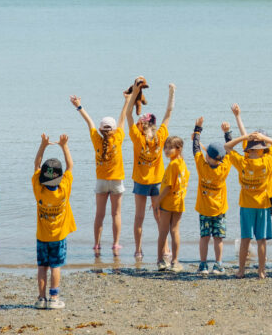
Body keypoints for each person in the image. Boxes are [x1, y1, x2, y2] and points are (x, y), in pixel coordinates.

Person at [71, 92, 132, 257]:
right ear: (113, 130)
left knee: (99, 214)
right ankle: (116, 244)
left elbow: (89, 121)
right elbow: (122, 119)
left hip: (101, 182)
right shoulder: (118, 137)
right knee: (116, 214)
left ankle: (97, 244)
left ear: (100, 129)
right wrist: (127, 101)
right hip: (117, 181)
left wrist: (79, 106)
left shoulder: (96, 139)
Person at [224, 129, 272, 279]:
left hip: (246, 205)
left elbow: (227, 147)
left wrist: (245, 136)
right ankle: (261, 271)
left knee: (245, 239)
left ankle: (241, 271)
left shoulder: (243, 162)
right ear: (262, 150)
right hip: (262, 205)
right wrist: (264, 138)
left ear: (248, 151)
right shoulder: (267, 160)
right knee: (261, 240)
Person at [127, 81, 175, 260]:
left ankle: (138, 251)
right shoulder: (161, 136)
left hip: (141, 182)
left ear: (142, 125)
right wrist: (172, 91)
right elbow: (169, 112)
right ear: (153, 125)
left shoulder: (137, 139)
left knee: (139, 218)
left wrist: (136, 92)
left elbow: (128, 115)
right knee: (160, 217)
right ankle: (166, 250)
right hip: (157, 182)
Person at [33, 133, 74, 310]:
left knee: (42, 267)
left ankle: (41, 299)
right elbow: (70, 167)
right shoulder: (64, 188)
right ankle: (54, 298)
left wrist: (43, 145)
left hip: (42, 236)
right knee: (55, 266)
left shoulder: (39, 190)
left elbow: (36, 165)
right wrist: (64, 146)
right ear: (59, 178)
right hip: (58, 236)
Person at [192, 118, 232, 274]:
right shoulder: (225, 168)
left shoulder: (201, 166)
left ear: (208, 157)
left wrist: (198, 129)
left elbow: (195, 149)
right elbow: (230, 150)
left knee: (204, 237)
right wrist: (227, 132)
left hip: (204, 209)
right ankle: (218, 264)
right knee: (218, 238)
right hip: (220, 210)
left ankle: (203, 265)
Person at [157, 134, 189, 272]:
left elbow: (168, 186)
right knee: (175, 230)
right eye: (166, 148)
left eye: (171, 148)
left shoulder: (173, 164)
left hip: (168, 202)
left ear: (179, 149)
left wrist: (157, 201)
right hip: (179, 201)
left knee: (164, 231)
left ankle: (160, 260)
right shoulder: (182, 163)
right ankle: (175, 261)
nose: (167, 150)